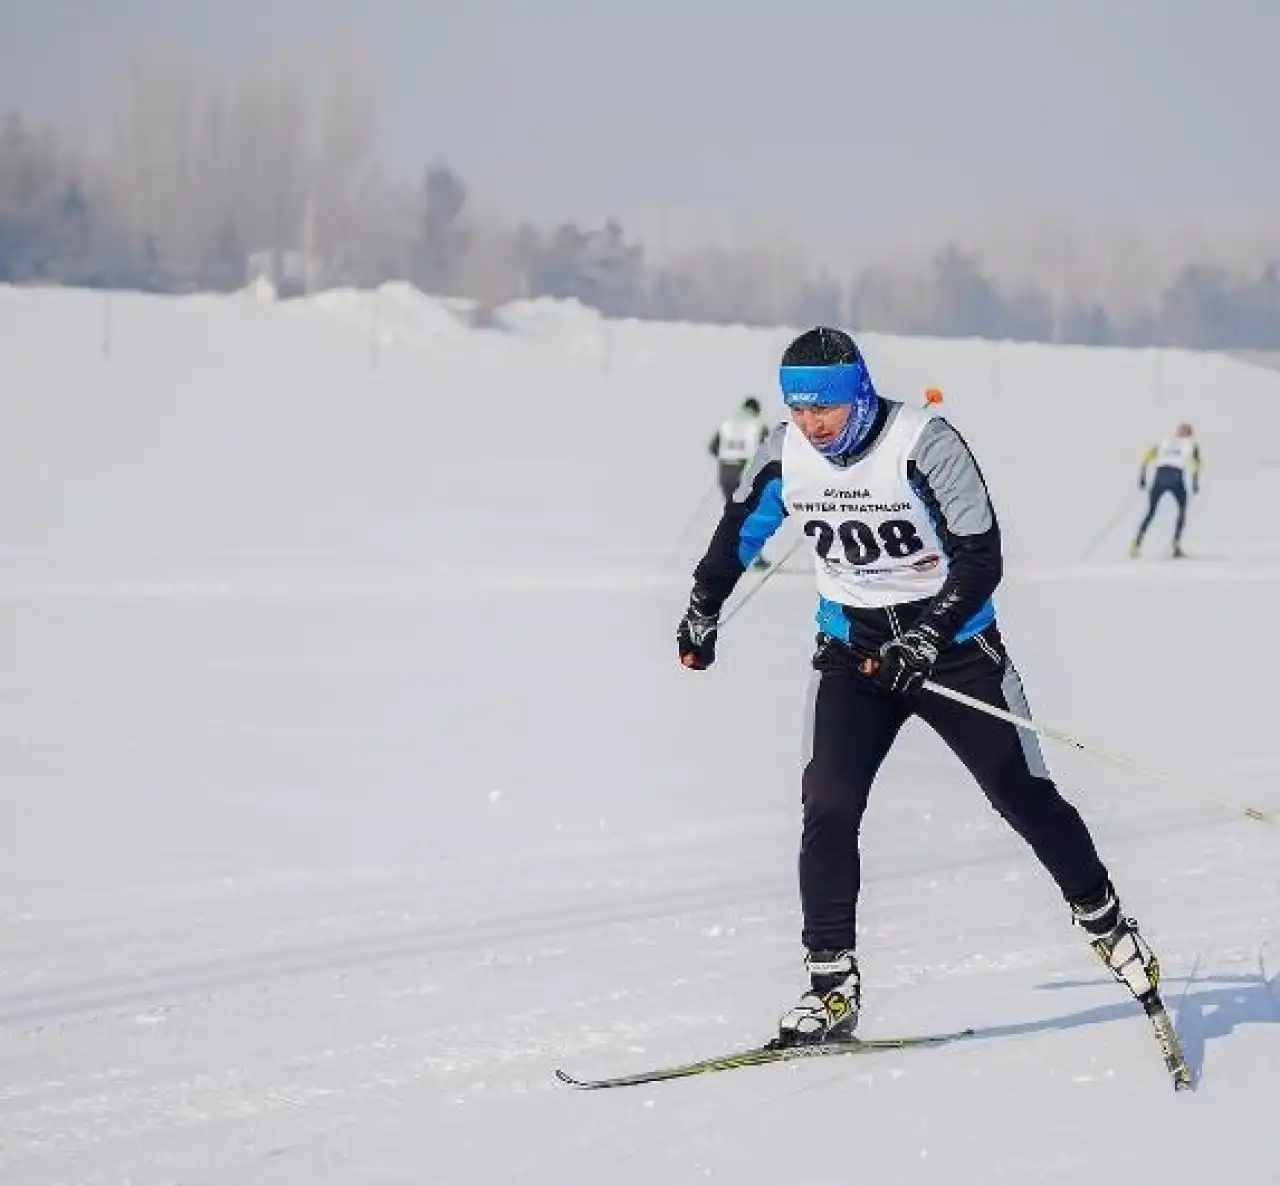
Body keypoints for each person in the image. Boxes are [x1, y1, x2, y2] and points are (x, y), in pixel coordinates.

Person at [676, 327, 1161, 1047]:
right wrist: (703, 608)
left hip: (957, 650)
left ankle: (1107, 921)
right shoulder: (787, 453)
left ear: (860, 396)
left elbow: (980, 555)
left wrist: (928, 635)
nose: (812, 426)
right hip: (854, 656)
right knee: (828, 804)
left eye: (825, 412)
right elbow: (738, 532)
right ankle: (831, 988)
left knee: (1020, 792)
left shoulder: (923, 441)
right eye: (799, 410)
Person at [1131, 423, 1201, 559]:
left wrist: (1142, 478)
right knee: (1182, 509)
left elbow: (1146, 458)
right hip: (1176, 478)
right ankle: (1176, 545)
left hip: (1160, 477)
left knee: (1151, 512)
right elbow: (1196, 465)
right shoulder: (1191, 445)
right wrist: (1195, 483)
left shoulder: (1164, 442)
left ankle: (1136, 544)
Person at [708, 397, 768, 503]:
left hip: (725, 472)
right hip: (746, 470)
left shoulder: (727, 424)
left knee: (732, 506)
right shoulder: (759, 426)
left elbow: (713, 448)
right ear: (757, 411)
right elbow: (768, 451)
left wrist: (729, 455)